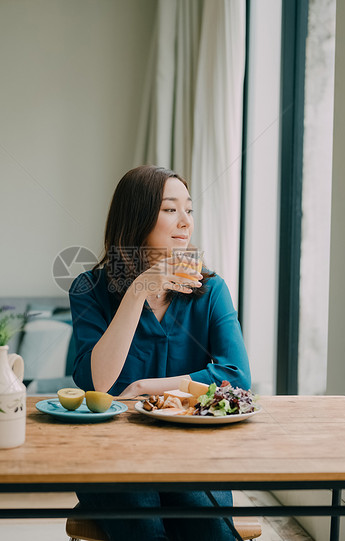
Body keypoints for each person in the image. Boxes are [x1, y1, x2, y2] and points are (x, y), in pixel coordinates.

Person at [68, 165, 251, 541]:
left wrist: (148, 387)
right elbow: (97, 382)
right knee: (145, 528)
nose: (186, 222)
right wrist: (139, 289)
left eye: (189, 209)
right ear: (136, 218)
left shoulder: (211, 289)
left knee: (208, 528)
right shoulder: (89, 289)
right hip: (111, 454)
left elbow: (236, 377)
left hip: (191, 452)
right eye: (170, 209)